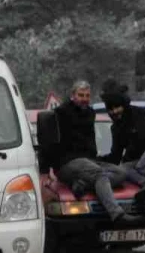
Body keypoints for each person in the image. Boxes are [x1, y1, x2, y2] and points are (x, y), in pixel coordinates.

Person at [52, 80, 128, 222]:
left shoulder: (90, 113)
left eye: (87, 96)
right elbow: (50, 142)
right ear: (72, 95)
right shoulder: (60, 112)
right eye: (81, 95)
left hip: (89, 161)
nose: (84, 99)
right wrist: (45, 169)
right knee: (100, 174)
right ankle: (117, 214)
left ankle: (83, 184)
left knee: (122, 173)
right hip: (67, 163)